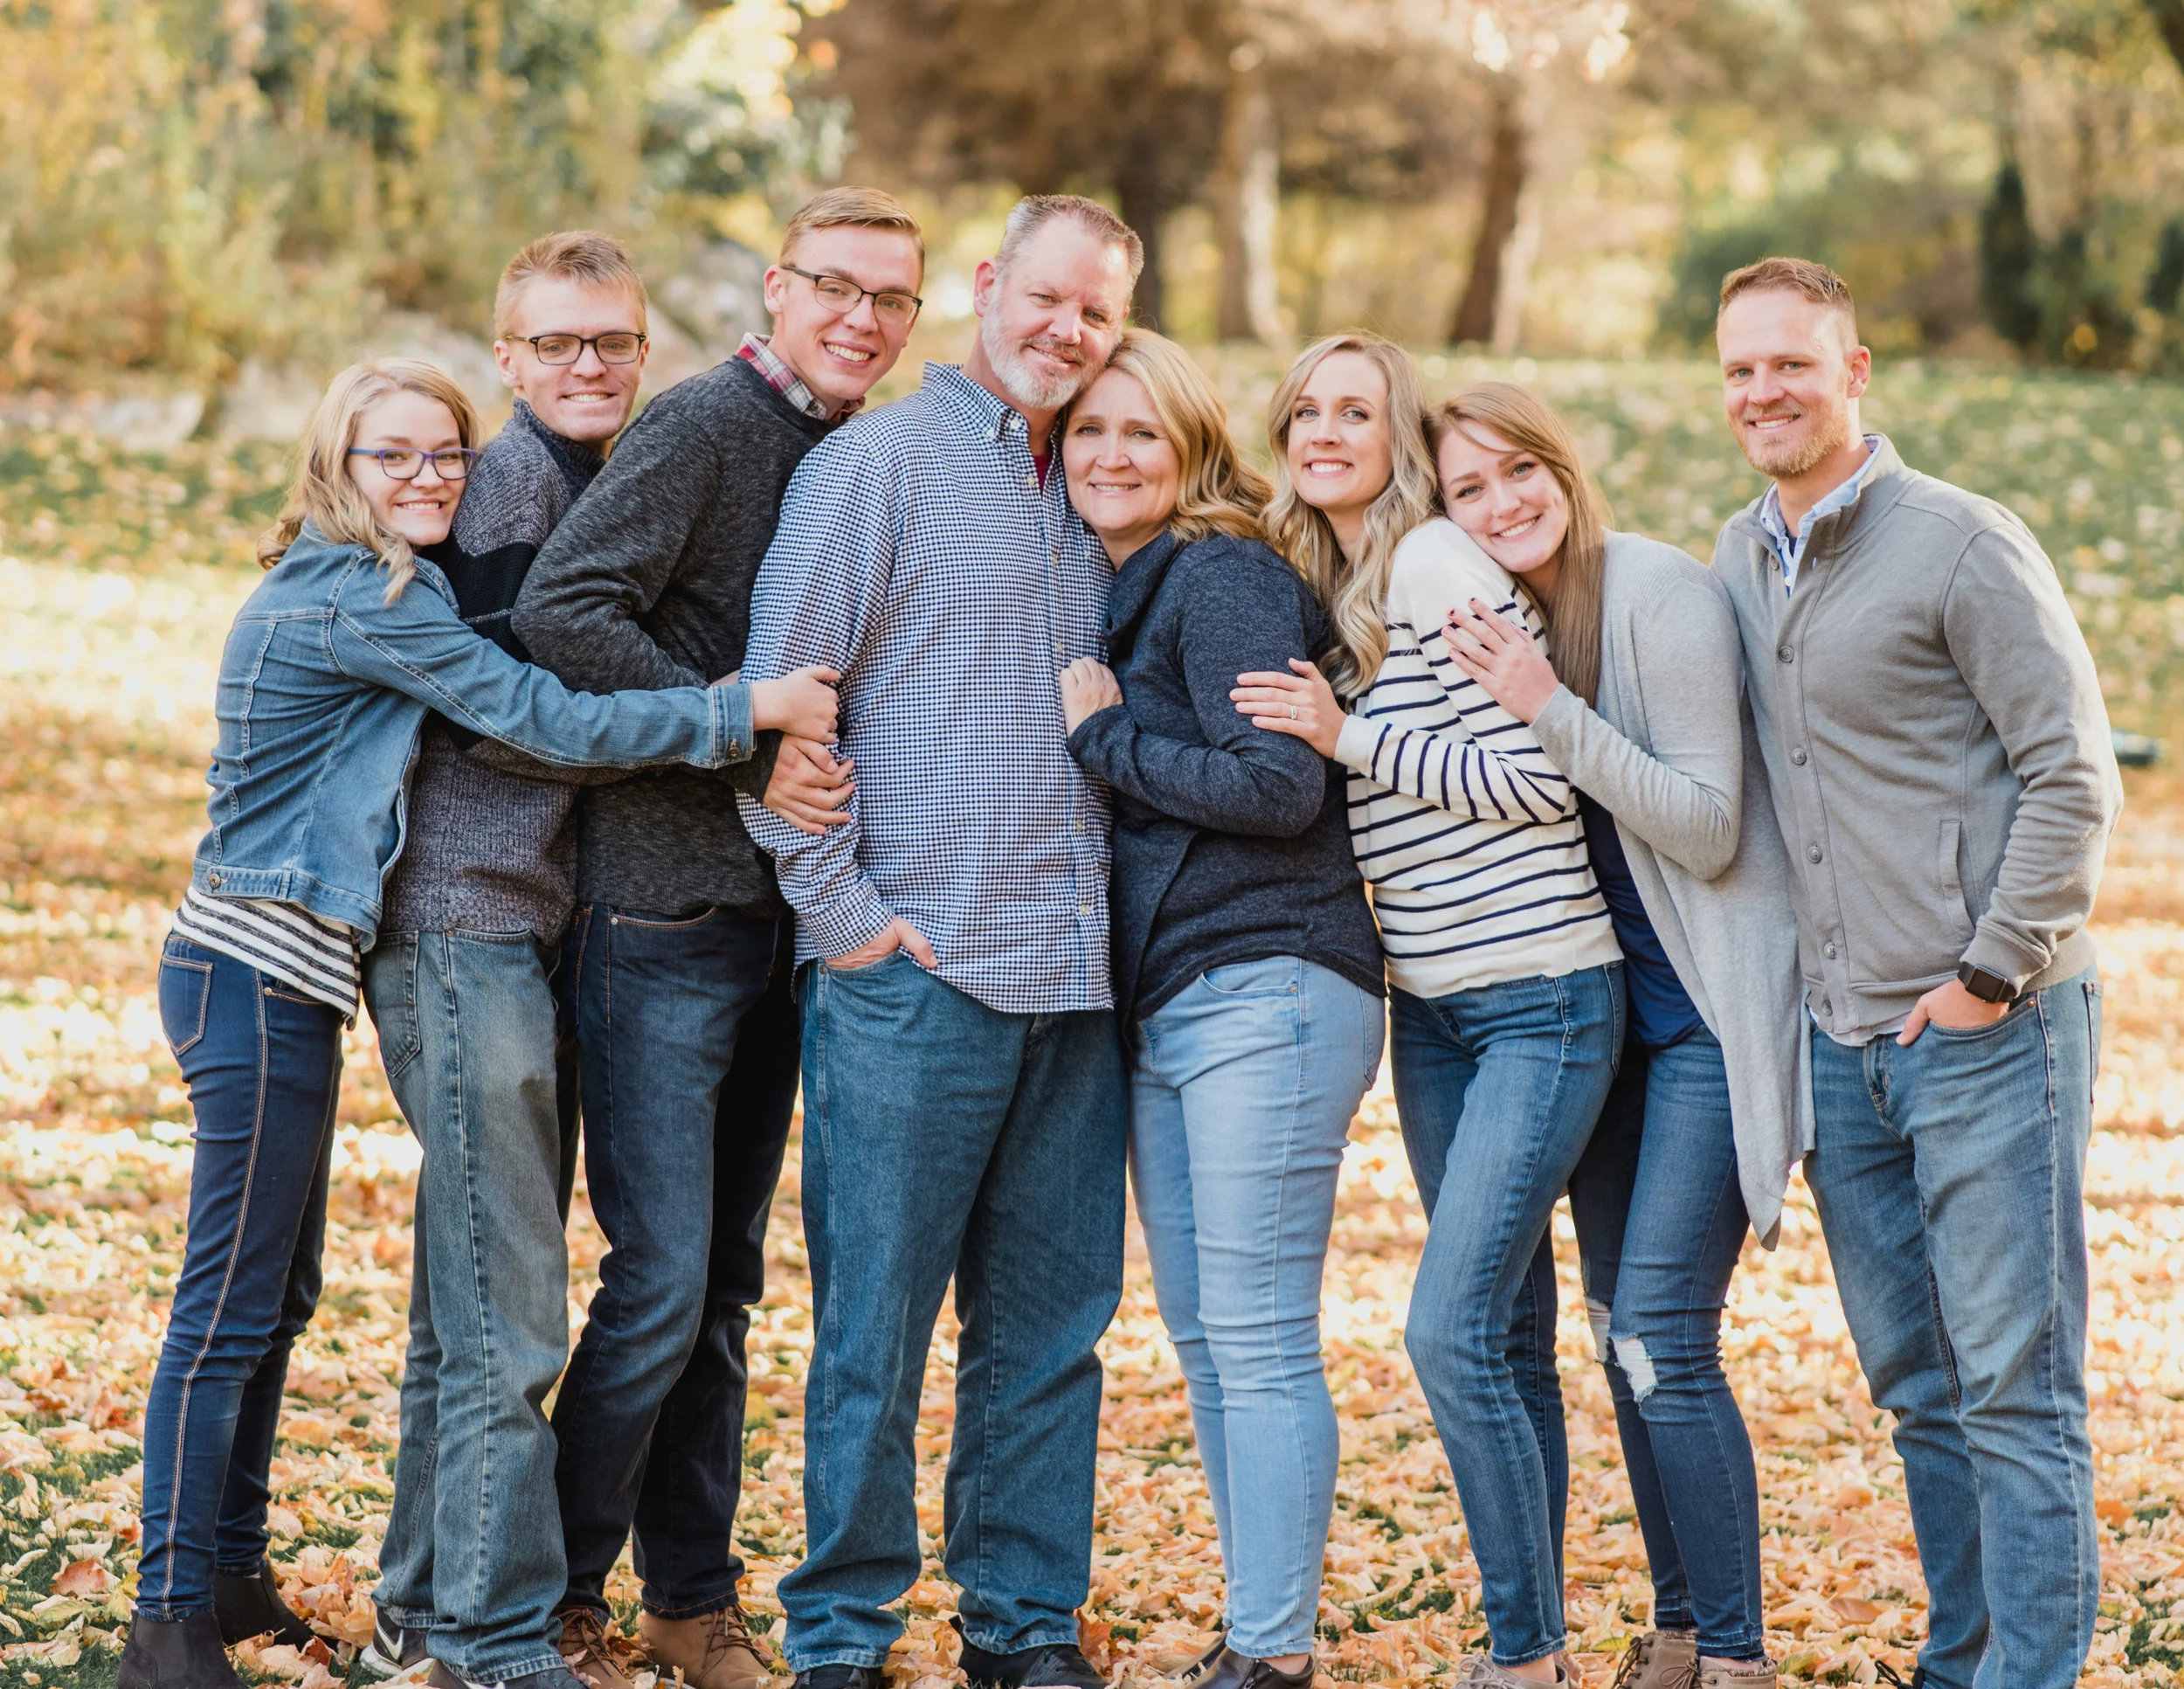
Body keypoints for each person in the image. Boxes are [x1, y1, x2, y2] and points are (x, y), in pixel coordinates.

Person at [124, 357, 833, 1689]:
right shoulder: (367, 596)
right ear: (338, 466)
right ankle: (165, 1621)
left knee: (277, 1295)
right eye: (394, 456)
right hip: (252, 971)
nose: (429, 476)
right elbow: (535, 715)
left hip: (291, 975)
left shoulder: (385, 585)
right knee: (227, 1302)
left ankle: (226, 1575)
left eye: (445, 453)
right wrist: (749, 708)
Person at [509, 188, 926, 1689]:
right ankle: (553, 1590)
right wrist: (735, 743)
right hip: (661, 912)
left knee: (730, 1285)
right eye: (838, 288)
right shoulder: (703, 426)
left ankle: (691, 1601)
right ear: (777, 287)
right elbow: (566, 610)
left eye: (894, 299)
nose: (864, 319)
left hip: (789, 927)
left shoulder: (866, 449)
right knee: (662, 1278)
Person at [735, 193, 1138, 1689]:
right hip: (917, 980)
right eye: (1045, 299)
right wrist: (850, 927)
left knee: (1049, 1334)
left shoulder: (1102, 485)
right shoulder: (873, 469)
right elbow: (784, 704)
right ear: (987, 286)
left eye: (1095, 313)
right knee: (876, 1332)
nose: (1065, 332)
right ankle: (841, 1632)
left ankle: (1023, 1623)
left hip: (1078, 983)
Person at [1709, 257, 2120, 1689]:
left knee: (2017, 1386)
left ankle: (2032, 1675)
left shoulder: (1961, 543)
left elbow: (2073, 778)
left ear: (1856, 371)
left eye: (1792, 364)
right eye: (1741, 369)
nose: (1764, 390)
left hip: (1990, 1028)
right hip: (1842, 1040)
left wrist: (1989, 977)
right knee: (1921, 1392)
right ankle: (1965, 1661)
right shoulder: (1735, 556)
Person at [1232, 333, 1621, 1687]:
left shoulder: (1437, 561)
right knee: (1505, 1333)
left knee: (1449, 1330)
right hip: (1436, 1014)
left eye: (1359, 410)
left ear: (1400, 436)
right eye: (1306, 412)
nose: (1327, 430)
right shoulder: (1339, 585)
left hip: (1543, 999)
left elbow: (1545, 773)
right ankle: (1541, 1646)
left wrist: (1348, 740)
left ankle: (1523, 1657)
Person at [1431, 383, 1802, 1688]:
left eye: (1519, 470)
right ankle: (1681, 1631)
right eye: (1468, 490)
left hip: (1699, 1020)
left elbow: (1707, 823)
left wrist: (1545, 704)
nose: (1503, 503)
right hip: (1605, 1028)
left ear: (1564, 465)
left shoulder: (1652, 589)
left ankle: (1740, 1657)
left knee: (1663, 1331)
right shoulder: (1489, 618)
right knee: (1613, 1334)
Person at [1054, 331, 1385, 1689]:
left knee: (1252, 1333)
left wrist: (1105, 736)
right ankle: (1259, 1640)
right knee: (1205, 1336)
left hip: (1272, 984)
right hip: (1175, 1004)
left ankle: (1273, 1654)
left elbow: (1277, 788)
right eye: (1088, 433)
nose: (1113, 455)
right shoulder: (1123, 592)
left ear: (1193, 448)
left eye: (1143, 432)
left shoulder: (1225, 574)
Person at [355, 232, 657, 1689]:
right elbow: (503, 717)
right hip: (455, 926)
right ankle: (490, 1639)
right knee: (512, 1305)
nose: (587, 365)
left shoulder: (604, 482)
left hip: (527, 931)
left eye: (612, 341)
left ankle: (421, 1601)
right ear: (510, 357)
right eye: (558, 345)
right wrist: (734, 723)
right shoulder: (486, 490)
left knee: (459, 1299)